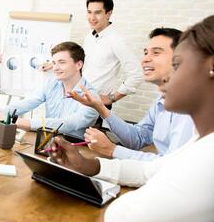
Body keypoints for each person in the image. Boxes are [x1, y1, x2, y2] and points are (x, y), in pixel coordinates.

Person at [49, 15, 214, 222]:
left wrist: (111, 150)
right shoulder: (199, 138)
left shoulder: (206, 152)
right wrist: (88, 165)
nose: (167, 79)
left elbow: (122, 217)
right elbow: (150, 166)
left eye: (177, 64)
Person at [67, 28, 194, 161]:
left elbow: (171, 165)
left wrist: (111, 149)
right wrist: (100, 107)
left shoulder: (190, 106)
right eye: (145, 53)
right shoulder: (160, 102)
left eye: (156, 53)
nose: (145, 59)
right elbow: (138, 139)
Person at [0, 42, 99, 138]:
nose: (55, 68)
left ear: (78, 64)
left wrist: (15, 120)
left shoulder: (91, 96)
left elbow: (68, 124)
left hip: (74, 149)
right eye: (54, 63)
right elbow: (28, 102)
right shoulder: (52, 83)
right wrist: (0, 112)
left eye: (62, 62)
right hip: (47, 141)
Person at [83, 0, 143, 107]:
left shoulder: (117, 40)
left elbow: (137, 74)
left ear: (108, 13)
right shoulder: (89, 36)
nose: (92, 17)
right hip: (82, 99)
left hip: (97, 104)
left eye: (97, 13)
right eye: (89, 12)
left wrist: (112, 98)